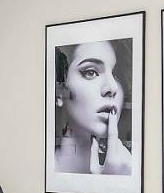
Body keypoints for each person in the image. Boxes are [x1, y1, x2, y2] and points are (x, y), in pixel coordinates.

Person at [53, 40, 135, 176]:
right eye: (90, 72)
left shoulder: (129, 169)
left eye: (116, 75)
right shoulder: (37, 173)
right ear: (60, 91)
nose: (112, 87)